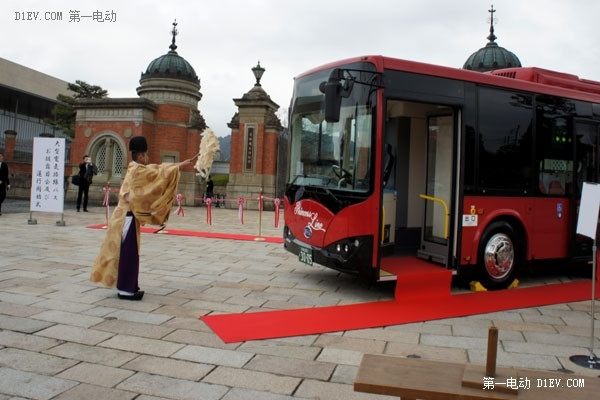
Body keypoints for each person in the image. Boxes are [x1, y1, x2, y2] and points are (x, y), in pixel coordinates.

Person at [90, 136, 196, 300]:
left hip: (128, 216)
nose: (148, 158)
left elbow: (159, 170)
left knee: (130, 252)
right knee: (128, 253)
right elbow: (158, 173)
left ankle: (130, 285)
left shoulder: (136, 168)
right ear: (140, 156)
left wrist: (181, 164)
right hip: (127, 216)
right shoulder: (138, 170)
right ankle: (125, 289)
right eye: (146, 155)